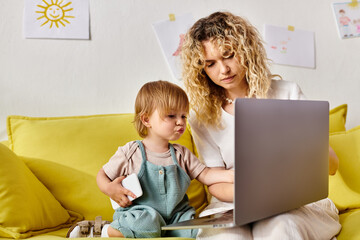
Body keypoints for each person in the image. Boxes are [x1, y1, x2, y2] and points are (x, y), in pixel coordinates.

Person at [181, 11, 342, 240]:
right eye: (211, 64)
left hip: (294, 204)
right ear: (201, 69)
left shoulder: (287, 92)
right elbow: (214, 181)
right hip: (231, 205)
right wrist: (253, 195)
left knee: (280, 228)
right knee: (228, 237)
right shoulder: (203, 117)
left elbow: (332, 165)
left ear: (246, 51)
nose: (223, 70)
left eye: (229, 55)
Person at [68, 80, 234, 238]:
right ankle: (102, 230)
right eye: (171, 116)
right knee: (146, 225)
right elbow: (102, 174)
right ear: (146, 119)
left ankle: (164, 231)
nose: (180, 122)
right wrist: (109, 189)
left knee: (198, 230)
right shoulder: (130, 152)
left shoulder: (181, 154)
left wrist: (231, 175)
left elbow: (205, 174)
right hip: (141, 215)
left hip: (176, 217)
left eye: (183, 116)